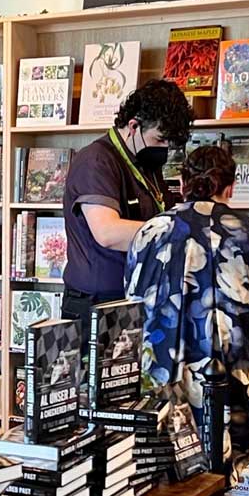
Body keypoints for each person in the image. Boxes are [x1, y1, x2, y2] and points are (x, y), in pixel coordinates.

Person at [125, 143, 249, 458]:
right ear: (231, 187)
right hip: (232, 377)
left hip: (161, 373)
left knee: (164, 473)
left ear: (182, 184)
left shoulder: (148, 233)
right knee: (222, 463)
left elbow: (132, 299)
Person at [61, 79, 191, 319]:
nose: (164, 149)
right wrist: (178, 232)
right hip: (97, 304)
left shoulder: (146, 164)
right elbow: (108, 233)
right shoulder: (96, 161)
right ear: (133, 126)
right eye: (159, 140)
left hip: (138, 295)